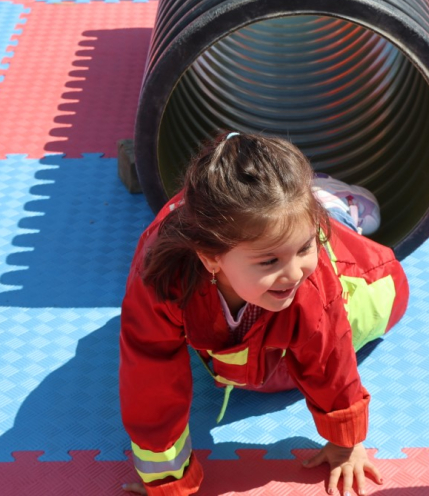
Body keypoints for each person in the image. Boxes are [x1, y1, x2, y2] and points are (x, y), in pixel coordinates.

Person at [118, 131, 409, 496]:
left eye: (304, 248)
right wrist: (167, 482)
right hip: (237, 232)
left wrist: (345, 441)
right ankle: (312, 217)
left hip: (349, 262)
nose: (292, 273)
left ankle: (333, 209)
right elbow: (150, 381)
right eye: (269, 261)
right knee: (249, 370)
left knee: (386, 299)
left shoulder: (309, 281)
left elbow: (328, 354)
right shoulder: (159, 281)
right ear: (211, 258)